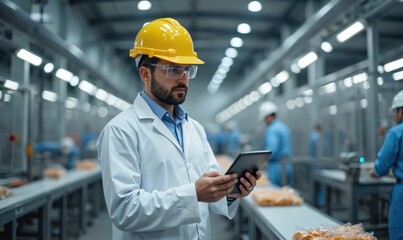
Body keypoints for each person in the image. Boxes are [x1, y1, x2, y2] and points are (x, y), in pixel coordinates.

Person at [96, 18, 261, 240]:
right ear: (145, 74)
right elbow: (124, 210)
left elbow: (211, 189)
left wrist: (232, 191)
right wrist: (192, 195)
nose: (183, 79)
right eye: (173, 70)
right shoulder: (120, 130)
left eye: (187, 70)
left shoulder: (195, 129)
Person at [370, 89, 403, 240]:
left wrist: (376, 170)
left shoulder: (397, 132)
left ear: (402, 111)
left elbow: (382, 166)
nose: (394, 116)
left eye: (395, 112)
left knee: (401, 235)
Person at [258, 101, 293, 186]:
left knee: (275, 193)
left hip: (276, 168)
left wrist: (260, 163)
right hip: (287, 166)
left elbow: (271, 151)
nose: (265, 122)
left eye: (264, 119)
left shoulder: (272, 129)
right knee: (285, 194)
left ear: (268, 116)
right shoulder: (283, 126)